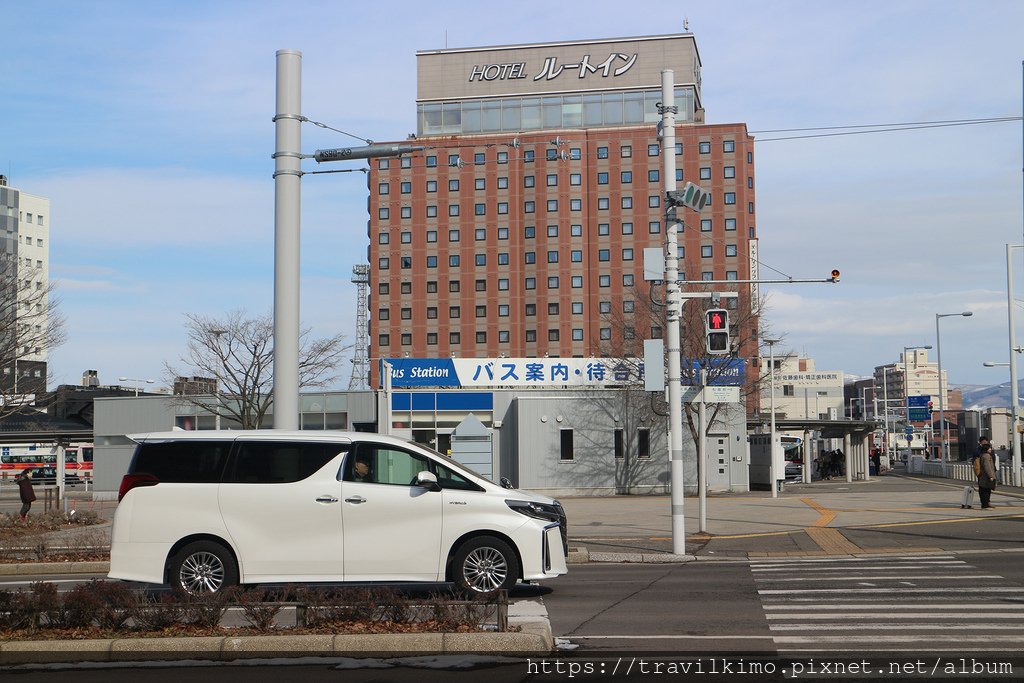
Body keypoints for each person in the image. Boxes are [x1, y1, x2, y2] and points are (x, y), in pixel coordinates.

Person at [977, 443, 998, 509]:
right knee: (985, 490)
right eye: (989, 448)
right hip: (986, 477)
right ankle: (985, 504)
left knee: (986, 490)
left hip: (985, 476)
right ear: (986, 449)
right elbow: (987, 467)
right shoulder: (986, 456)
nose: (990, 449)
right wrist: (991, 476)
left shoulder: (983, 455)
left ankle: (986, 504)